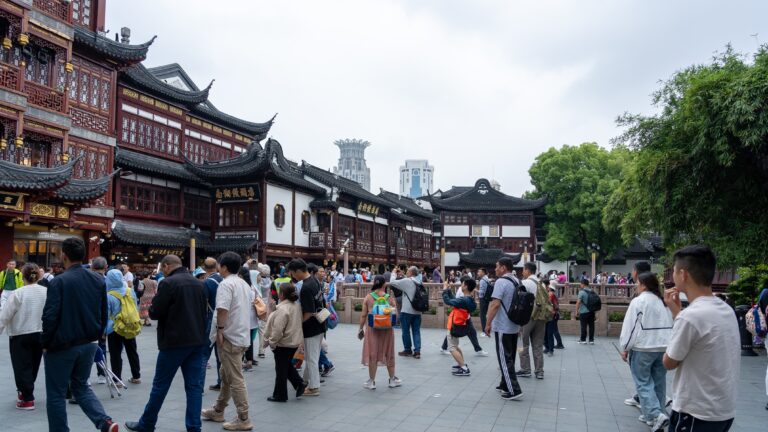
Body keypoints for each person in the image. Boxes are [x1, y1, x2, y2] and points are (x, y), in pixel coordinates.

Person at [41, 237, 118, 432]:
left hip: (63, 344)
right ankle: (104, 422)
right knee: (81, 386)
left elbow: (50, 316)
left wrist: (46, 342)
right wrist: (99, 335)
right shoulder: (98, 279)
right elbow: (103, 311)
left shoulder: (59, 281)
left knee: (56, 393)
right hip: (89, 342)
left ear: (64, 255)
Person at [124, 254, 208, 432]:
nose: (162, 271)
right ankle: (194, 427)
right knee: (194, 387)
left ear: (167, 266)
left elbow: (155, 312)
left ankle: (147, 424)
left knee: (160, 385)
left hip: (173, 341)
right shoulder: (199, 284)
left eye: (162, 268)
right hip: (196, 341)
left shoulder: (168, 283)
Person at [663, 245, 740, 432]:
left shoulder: (690, 316)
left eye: (674, 271)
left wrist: (678, 317)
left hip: (695, 413)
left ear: (683, 275)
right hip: (722, 411)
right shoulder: (725, 309)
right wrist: (678, 313)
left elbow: (669, 362)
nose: (672, 276)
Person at [202, 252, 254, 430]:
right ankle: (218, 410)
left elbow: (222, 310)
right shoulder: (243, 284)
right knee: (226, 374)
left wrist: (220, 330)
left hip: (230, 336)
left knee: (235, 378)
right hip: (241, 334)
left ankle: (243, 418)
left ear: (223, 267)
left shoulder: (226, 284)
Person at [619, 272, 673, 431]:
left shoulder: (638, 301)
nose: (636, 285)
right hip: (663, 347)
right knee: (659, 382)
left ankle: (655, 415)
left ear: (643, 285)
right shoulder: (663, 302)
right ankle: (656, 413)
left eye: (637, 283)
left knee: (643, 382)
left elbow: (630, 327)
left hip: (643, 347)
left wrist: (625, 348)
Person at [0, 263, 47, 410]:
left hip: (20, 333)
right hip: (40, 332)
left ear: (22, 276)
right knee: (34, 364)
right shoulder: (46, 292)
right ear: (38, 276)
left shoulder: (18, 293)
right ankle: (26, 390)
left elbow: (5, 315)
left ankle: (27, 398)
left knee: (21, 366)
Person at [484, 257, 524, 401]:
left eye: (497, 266)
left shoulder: (501, 282)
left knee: (504, 358)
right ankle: (504, 385)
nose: (495, 269)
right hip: (514, 324)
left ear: (503, 268)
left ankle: (514, 389)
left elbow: (495, 304)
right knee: (510, 357)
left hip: (503, 326)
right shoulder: (517, 281)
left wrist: (488, 323)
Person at [287, 258, 326, 397]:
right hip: (320, 324)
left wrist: (298, 325)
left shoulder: (305, 287)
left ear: (298, 271)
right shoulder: (314, 281)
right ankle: (304, 381)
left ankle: (314, 387)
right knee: (312, 356)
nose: (292, 276)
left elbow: (308, 312)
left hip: (311, 327)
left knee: (311, 358)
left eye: (292, 273)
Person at [262, 283, 305, 402]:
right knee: (286, 366)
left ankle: (280, 395)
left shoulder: (282, 309)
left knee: (281, 370)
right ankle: (299, 383)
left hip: (283, 343)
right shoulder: (296, 305)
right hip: (294, 341)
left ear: (281, 294)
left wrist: (272, 342)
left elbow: (277, 330)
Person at [359, 275, 402, 389]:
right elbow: (396, 315)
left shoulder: (368, 297)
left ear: (374, 283)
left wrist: (360, 328)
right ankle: (392, 380)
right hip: (387, 330)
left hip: (372, 330)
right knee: (389, 353)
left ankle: (371, 382)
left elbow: (363, 315)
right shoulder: (389, 298)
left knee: (372, 353)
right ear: (384, 284)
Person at [105, 269, 142, 385]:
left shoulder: (109, 295)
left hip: (114, 328)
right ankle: (136, 376)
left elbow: (106, 314)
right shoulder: (130, 291)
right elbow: (135, 306)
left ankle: (117, 380)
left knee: (115, 354)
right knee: (132, 351)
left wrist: (103, 331)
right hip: (129, 325)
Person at [517, 262, 547, 379]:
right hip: (540, 316)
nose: (522, 272)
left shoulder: (525, 282)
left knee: (522, 343)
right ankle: (539, 372)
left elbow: (519, 299)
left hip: (527, 317)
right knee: (538, 345)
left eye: (523, 270)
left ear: (528, 270)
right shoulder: (541, 283)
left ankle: (525, 369)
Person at [442, 277, 477, 377]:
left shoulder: (464, 300)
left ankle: (464, 368)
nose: (461, 285)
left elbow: (448, 301)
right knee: (455, 346)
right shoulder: (469, 300)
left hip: (454, 325)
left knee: (452, 348)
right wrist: (449, 290)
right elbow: (455, 300)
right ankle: (461, 364)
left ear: (466, 286)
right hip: (459, 324)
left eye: (462, 284)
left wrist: (445, 289)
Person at [390, 266, 423, 359]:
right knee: (416, 331)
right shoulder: (419, 281)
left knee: (405, 331)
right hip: (417, 311)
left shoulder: (407, 281)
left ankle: (408, 350)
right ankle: (417, 351)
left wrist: (394, 273)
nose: (406, 272)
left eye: (408, 271)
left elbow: (392, 282)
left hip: (407, 311)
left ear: (411, 273)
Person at [201, 257, 223, 391]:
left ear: (204, 268)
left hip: (210, 319)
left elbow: (202, 304)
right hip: (223, 320)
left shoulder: (206, 283)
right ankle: (221, 382)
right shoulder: (224, 280)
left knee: (204, 354)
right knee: (220, 354)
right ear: (217, 266)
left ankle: (199, 386)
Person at [239, 267, 259, 372]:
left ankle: (242, 361)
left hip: (244, 316)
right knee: (250, 339)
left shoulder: (242, 287)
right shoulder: (252, 287)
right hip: (252, 316)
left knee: (242, 339)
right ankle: (249, 361)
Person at [543, 280, 564, 355]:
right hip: (546, 316)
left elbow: (554, 306)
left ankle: (550, 349)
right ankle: (547, 347)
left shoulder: (551, 295)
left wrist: (553, 311)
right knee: (546, 333)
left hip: (551, 316)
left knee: (549, 333)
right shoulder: (547, 294)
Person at [575, 279, 596, 344]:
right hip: (592, 311)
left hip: (583, 312)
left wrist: (576, 311)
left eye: (581, 284)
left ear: (583, 284)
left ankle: (583, 340)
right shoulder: (592, 291)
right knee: (591, 326)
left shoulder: (581, 292)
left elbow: (578, 302)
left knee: (583, 326)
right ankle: (591, 340)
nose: (580, 285)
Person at [477, 268, 491, 337]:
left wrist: (475, 290)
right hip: (487, 298)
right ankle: (487, 330)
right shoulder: (487, 279)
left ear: (483, 272)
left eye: (479, 272)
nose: (478, 273)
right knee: (485, 314)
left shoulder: (482, 280)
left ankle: (484, 331)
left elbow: (482, 292)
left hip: (483, 299)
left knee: (482, 315)